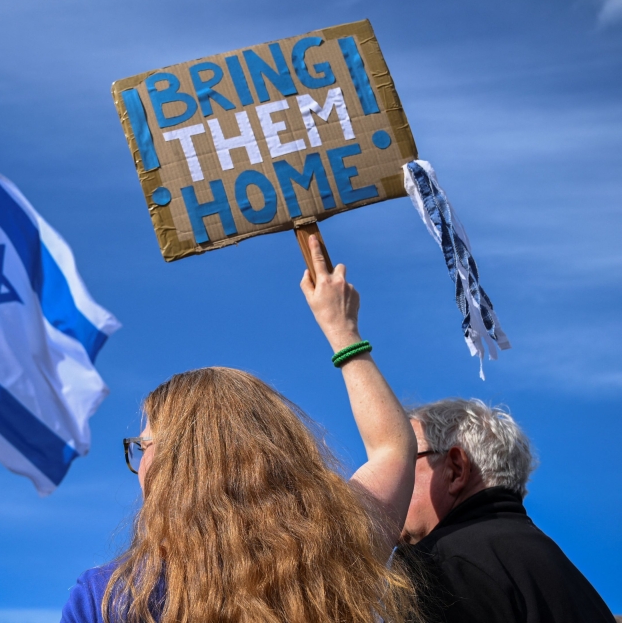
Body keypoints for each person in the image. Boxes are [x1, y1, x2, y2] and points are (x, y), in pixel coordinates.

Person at [61, 237, 420, 623]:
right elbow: (393, 448)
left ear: (176, 466)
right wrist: (343, 330)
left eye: (145, 445)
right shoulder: (333, 551)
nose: (140, 464)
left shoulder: (108, 598)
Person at [399, 398, 614, 622]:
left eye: (404, 463)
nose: (390, 481)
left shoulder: (442, 565)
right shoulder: (571, 582)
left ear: (455, 469)